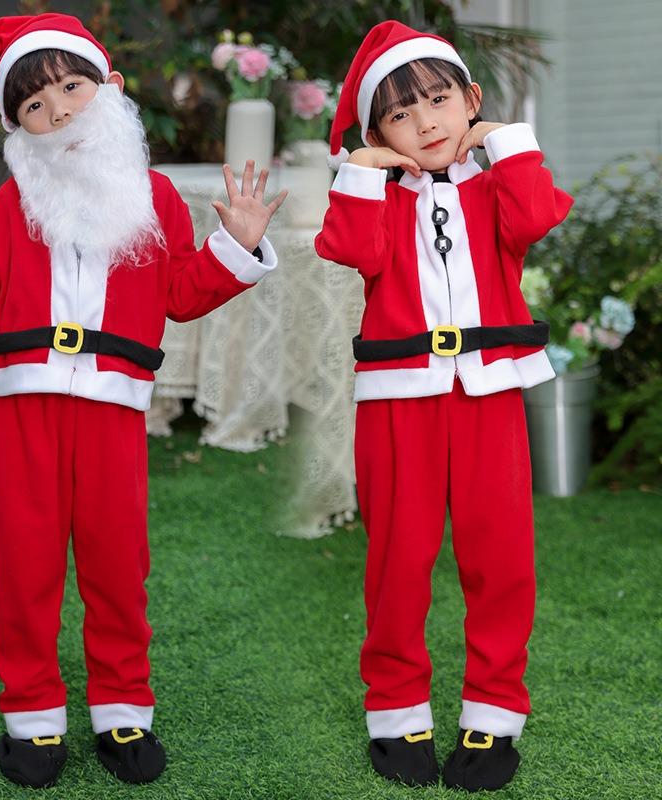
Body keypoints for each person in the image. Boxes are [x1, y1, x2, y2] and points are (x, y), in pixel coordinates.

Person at [0, 12, 286, 790]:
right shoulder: (12, 202)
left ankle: (121, 704)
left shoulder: (156, 196)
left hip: (114, 405)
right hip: (25, 403)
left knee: (115, 560)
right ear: (16, 123)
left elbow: (179, 291)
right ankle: (32, 716)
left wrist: (233, 246)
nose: (60, 111)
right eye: (35, 104)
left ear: (110, 88)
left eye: (72, 88)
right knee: (26, 560)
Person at [314, 20, 573, 792]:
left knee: (501, 561)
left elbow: (536, 218)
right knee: (400, 561)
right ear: (377, 132)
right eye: (399, 113)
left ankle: (494, 716)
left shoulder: (498, 187)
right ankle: (397, 714)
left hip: (489, 397)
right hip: (400, 405)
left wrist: (505, 137)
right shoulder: (378, 199)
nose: (425, 122)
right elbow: (349, 249)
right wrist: (364, 167)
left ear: (470, 100)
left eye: (439, 99)